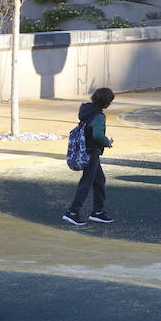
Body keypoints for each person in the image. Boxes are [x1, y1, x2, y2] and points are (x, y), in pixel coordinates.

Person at [62, 87, 115, 225]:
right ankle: (72, 212)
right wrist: (107, 142)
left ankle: (98, 212)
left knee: (99, 180)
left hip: (87, 150)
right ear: (106, 103)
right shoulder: (99, 116)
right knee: (86, 182)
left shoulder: (87, 111)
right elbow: (97, 135)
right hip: (92, 152)